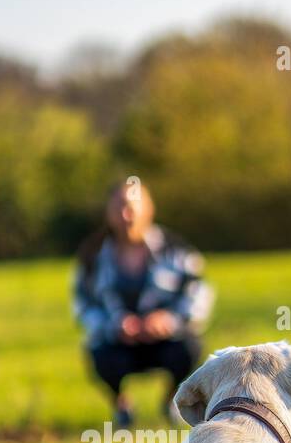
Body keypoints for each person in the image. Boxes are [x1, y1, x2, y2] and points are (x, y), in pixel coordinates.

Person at [73, 178, 214, 426]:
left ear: (148, 209)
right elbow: (82, 306)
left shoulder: (177, 250)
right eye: (119, 208)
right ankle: (121, 404)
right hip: (118, 344)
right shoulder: (91, 257)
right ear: (109, 212)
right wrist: (113, 325)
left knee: (190, 347)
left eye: (132, 207)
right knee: (97, 351)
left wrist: (169, 320)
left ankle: (171, 399)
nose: (127, 215)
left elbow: (199, 294)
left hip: (165, 341)